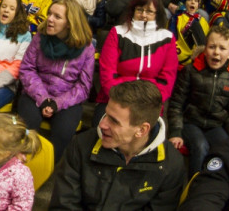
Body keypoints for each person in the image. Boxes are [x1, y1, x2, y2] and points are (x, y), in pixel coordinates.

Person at [49, 81, 185, 210]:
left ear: (142, 130)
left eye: (114, 121)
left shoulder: (170, 165)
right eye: (106, 114)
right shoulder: (81, 145)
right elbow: (63, 205)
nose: (102, 124)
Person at [17, 0, 95, 163]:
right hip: (35, 93)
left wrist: (56, 103)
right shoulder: (40, 37)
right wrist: (43, 98)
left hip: (66, 98)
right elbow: (27, 69)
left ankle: (46, 168)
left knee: (64, 131)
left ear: (69, 23)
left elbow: (83, 86)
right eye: (50, 14)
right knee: (28, 125)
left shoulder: (86, 48)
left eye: (57, 17)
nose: (50, 19)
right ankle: (21, 166)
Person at [167, 26, 229, 176]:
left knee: (224, 151)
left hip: (216, 125)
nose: (216, 52)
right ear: (205, 49)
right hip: (191, 122)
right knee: (200, 146)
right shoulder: (191, 70)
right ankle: (193, 186)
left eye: (222, 48)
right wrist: (175, 131)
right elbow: (176, 104)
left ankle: (212, 187)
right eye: (212, 47)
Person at [96, 0, 178, 125]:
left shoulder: (167, 38)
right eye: (140, 10)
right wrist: (122, 99)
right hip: (115, 99)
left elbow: (166, 81)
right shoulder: (117, 33)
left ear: (157, 14)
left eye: (149, 11)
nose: (144, 15)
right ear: (133, 11)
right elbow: (108, 74)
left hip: (149, 103)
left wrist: (147, 102)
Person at [170, 0, 209, 66]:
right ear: (184, 3)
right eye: (189, 0)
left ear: (198, 5)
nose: (192, 2)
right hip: (180, 51)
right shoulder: (177, 18)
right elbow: (172, 38)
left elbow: (205, 41)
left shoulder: (203, 21)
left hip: (197, 54)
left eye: (195, 1)